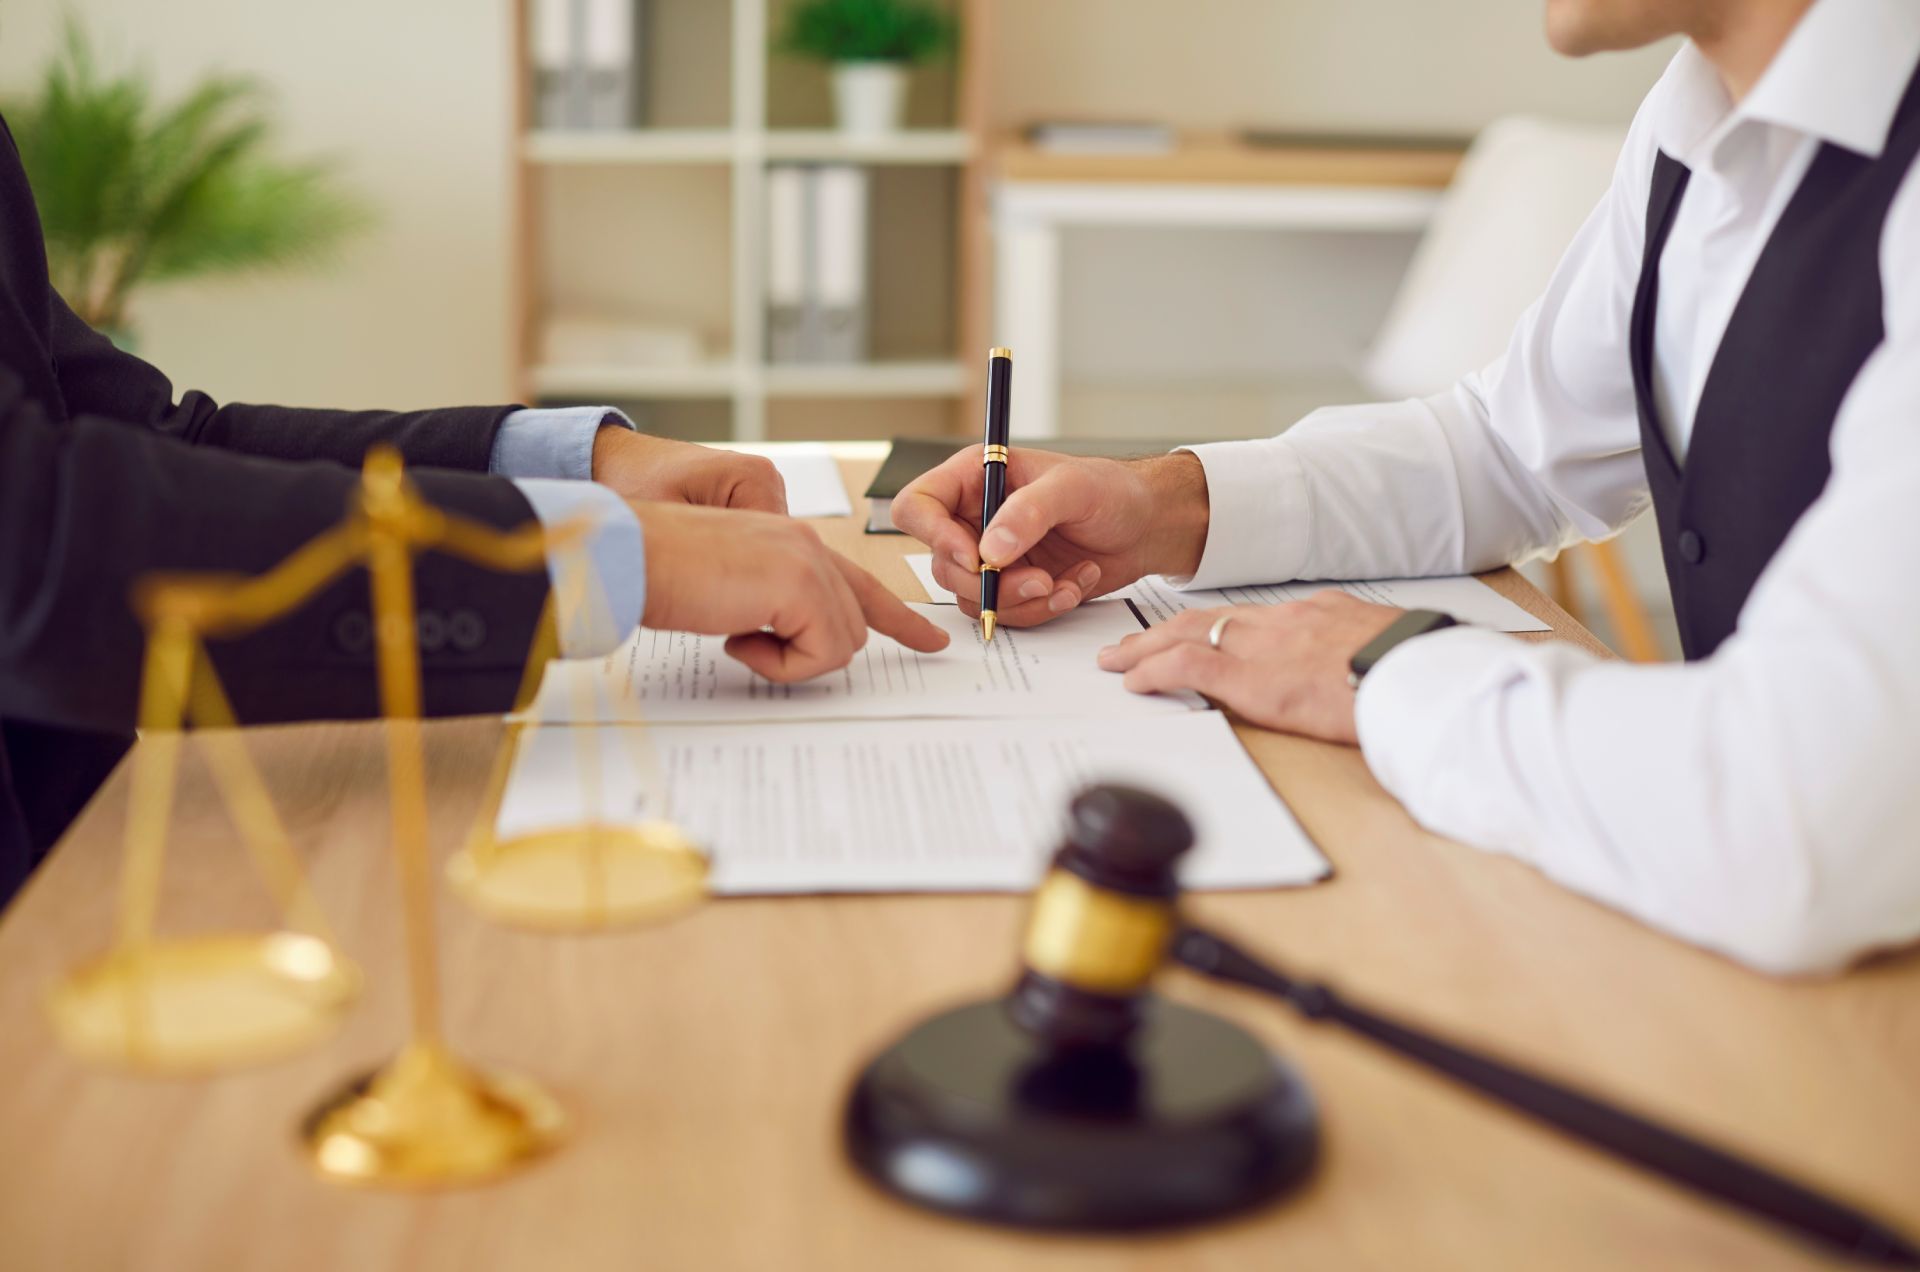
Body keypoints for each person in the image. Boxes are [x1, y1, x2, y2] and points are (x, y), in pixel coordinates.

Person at [897, 0, 1920, 975]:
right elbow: (1511, 449)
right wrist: (1167, 508)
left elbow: (1800, 816)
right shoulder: (1699, 121)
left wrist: (1386, 672)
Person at [0, 116, 946, 910]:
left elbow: (153, 440)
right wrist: (609, 555)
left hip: (87, 853)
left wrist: (587, 465)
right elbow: (33, 536)